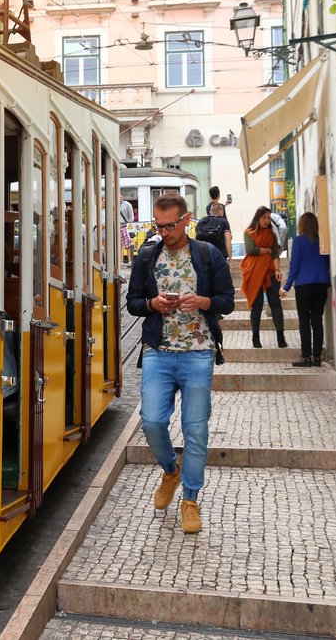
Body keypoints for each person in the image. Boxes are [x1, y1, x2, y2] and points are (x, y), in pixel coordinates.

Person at [126, 193, 235, 534]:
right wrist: (151, 304)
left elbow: (227, 301)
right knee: (152, 421)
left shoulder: (207, 254)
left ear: (186, 220)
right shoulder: (148, 256)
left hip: (199, 352)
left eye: (170, 225)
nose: (164, 232)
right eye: (159, 226)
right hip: (158, 350)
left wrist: (204, 301)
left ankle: (190, 499)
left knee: (196, 430)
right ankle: (171, 471)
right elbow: (132, 303)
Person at [280, 212, 330, 367]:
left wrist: (285, 287)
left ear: (301, 225)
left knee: (304, 321)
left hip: (304, 285)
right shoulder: (322, 240)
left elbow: (294, 267)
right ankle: (317, 357)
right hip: (321, 283)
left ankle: (306, 356)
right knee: (317, 320)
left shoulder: (298, 241)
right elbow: (326, 261)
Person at [240, 206, 287, 349]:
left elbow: (274, 254)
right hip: (254, 271)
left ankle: (280, 337)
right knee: (257, 305)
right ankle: (255, 337)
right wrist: (265, 250)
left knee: (275, 303)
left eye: (268, 218)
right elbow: (250, 250)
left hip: (270, 271)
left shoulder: (272, 235)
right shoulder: (249, 232)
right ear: (258, 218)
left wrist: (278, 269)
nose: (266, 220)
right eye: (264, 218)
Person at [120, 198, 135, 265]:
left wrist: (129, 224)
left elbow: (131, 216)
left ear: (121, 196)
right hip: (117, 227)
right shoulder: (113, 204)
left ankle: (129, 261)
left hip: (125, 226)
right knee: (119, 245)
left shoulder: (127, 204)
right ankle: (120, 261)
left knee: (128, 244)